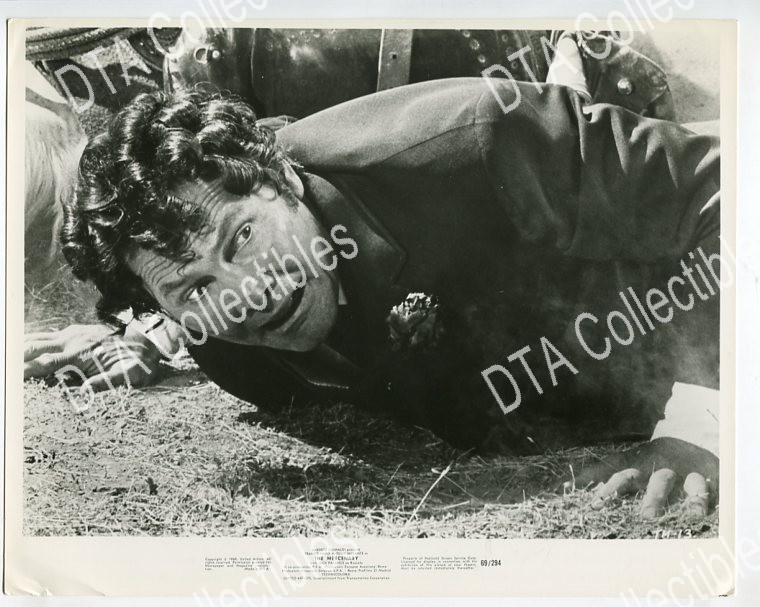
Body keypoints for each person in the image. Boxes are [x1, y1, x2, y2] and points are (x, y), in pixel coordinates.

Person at [25, 77, 721, 516]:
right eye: (194, 288)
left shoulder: (480, 141)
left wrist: (708, 423)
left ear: (282, 179)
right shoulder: (227, 349)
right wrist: (147, 339)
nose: (247, 296)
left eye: (243, 238)